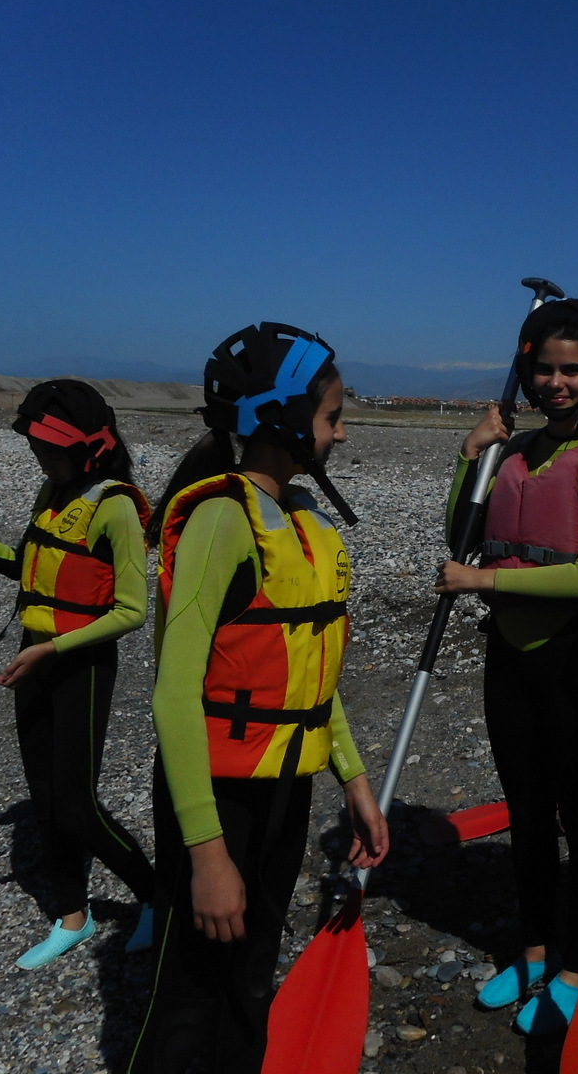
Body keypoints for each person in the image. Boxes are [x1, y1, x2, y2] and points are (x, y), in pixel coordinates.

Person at [125, 322, 387, 1072]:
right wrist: (208, 855)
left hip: (283, 788)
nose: (342, 433)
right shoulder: (222, 521)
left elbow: (309, 677)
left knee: (250, 975)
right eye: (332, 417)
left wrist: (355, 782)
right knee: (189, 989)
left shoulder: (302, 520)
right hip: (217, 795)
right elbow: (174, 695)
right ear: (284, 419)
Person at [434, 299, 578, 1036]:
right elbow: (461, 536)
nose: (555, 383)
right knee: (525, 813)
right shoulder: (513, 451)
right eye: (544, 370)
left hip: (576, 659)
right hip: (509, 658)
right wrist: (470, 458)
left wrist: (483, 582)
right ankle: (532, 950)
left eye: (571, 370)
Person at [0, 379, 157, 969]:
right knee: (45, 798)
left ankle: (158, 895)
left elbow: (132, 610)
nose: (41, 459)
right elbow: (24, 567)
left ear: (90, 448)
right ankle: (73, 916)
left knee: (77, 804)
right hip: (36, 657)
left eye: (50, 450)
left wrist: (52, 649)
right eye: (37, 449)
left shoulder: (116, 507)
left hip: (80, 665)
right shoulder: (53, 492)